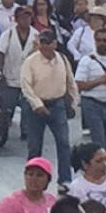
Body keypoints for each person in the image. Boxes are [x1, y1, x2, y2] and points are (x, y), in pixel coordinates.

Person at [20, 29, 79, 184]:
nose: (44, 46)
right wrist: (37, 105)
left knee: (64, 143)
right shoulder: (31, 61)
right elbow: (26, 86)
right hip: (36, 107)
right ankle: (32, 180)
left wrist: (74, 102)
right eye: (42, 42)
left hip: (57, 104)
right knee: (34, 146)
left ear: (54, 44)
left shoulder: (63, 59)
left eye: (48, 43)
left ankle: (65, 179)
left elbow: (70, 82)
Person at [0, 6, 38, 144]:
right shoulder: (8, 34)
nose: (26, 20)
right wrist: (1, 71)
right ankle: (3, 127)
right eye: (23, 18)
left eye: (28, 17)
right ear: (16, 19)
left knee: (27, 105)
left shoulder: (36, 35)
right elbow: (0, 53)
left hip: (28, 77)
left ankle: (25, 130)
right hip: (10, 74)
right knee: (9, 106)